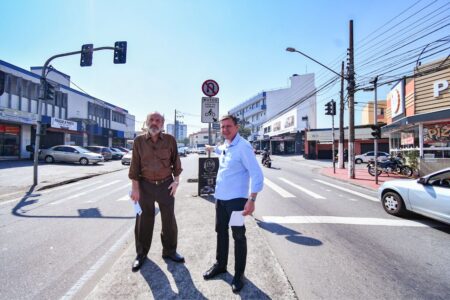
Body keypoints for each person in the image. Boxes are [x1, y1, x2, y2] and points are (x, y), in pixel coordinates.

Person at [203, 114, 264, 293]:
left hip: (237, 201)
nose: (225, 130)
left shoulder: (243, 147)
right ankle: (220, 265)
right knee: (220, 232)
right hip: (220, 199)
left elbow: (257, 174)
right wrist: (210, 148)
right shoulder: (226, 145)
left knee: (238, 236)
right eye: (222, 127)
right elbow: (219, 150)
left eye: (228, 126)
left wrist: (252, 200)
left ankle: (239, 275)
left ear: (237, 127)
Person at [128, 111, 184, 272]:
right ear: (146, 122)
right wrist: (135, 189)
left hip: (166, 185)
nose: (154, 123)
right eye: (151, 120)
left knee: (169, 221)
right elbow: (135, 167)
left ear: (162, 123)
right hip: (145, 186)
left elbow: (176, 164)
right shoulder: (139, 141)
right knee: (143, 221)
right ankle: (141, 254)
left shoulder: (170, 140)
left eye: (158, 120)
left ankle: (170, 251)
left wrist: (176, 182)